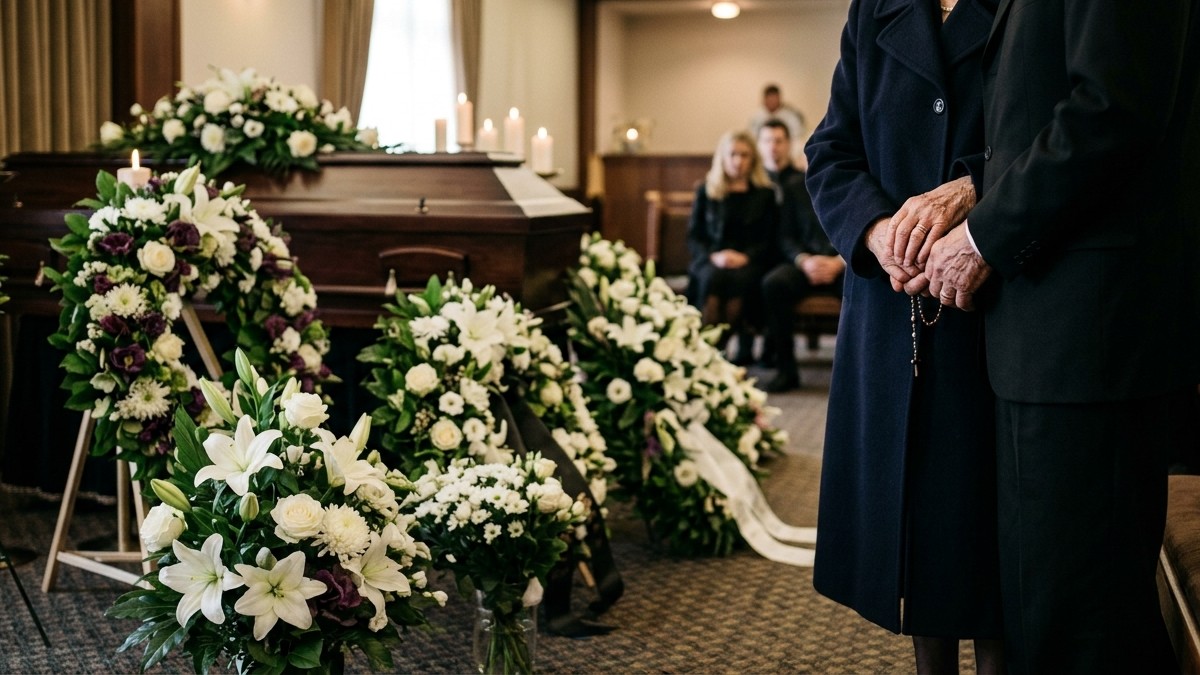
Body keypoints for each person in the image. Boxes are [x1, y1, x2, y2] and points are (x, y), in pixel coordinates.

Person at [917, 2, 1200, 672]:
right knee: (1048, 617)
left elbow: (1111, 107)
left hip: (1087, 338)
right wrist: (974, 187)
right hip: (1052, 337)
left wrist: (986, 234)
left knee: (1083, 631)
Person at [803, 1, 1004, 673]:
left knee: (989, 533)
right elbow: (831, 150)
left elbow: (1037, 135)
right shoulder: (874, 9)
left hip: (993, 300)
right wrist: (874, 228)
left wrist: (973, 187)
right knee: (918, 527)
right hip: (891, 308)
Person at [755, 119, 844, 392]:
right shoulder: (795, 186)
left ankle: (851, 374)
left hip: (843, 264)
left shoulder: (845, 183)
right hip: (805, 263)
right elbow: (785, 236)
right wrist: (804, 260)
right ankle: (785, 370)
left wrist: (839, 262)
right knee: (774, 284)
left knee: (867, 286)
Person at [686, 129, 778, 364]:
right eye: (733, 154)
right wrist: (714, 256)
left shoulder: (765, 194)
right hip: (711, 259)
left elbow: (769, 238)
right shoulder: (706, 191)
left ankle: (729, 352)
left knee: (740, 280)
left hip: (749, 261)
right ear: (722, 158)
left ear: (753, 159)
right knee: (712, 279)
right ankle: (710, 350)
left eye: (744, 155)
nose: (738, 161)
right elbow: (694, 235)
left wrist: (745, 257)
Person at [748, 84, 807, 164]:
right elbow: (752, 136)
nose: (772, 101)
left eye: (774, 98)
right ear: (764, 99)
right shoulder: (757, 117)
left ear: (779, 98)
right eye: (769, 98)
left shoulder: (790, 115)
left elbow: (797, 136)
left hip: (788, 149)